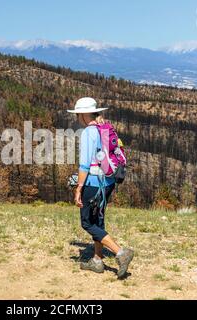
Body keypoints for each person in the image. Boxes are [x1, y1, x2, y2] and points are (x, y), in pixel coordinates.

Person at [67, 97, 134, 279]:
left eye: (78, 114)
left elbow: (84, 165)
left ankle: (121, 253)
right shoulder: (104, 127)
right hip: (108, 181)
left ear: (83, 115)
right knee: (98, 221)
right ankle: (97, 260)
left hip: (93, 183)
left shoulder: (89, 132)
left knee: (87, 222)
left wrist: (79, 187)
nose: (77, 118)